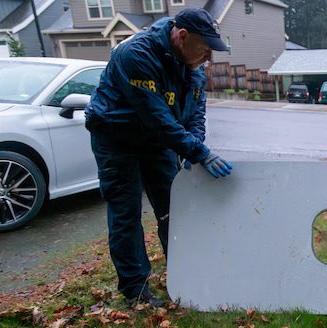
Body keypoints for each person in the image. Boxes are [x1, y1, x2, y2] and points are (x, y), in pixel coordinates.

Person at [85, 8, 234, 307]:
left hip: (157, 141)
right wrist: (199, 152)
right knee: (126, 213)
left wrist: (195, 146)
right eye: (204, 49)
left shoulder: (192, 65)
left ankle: (185, 274)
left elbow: (195, 113)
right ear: (182, 37)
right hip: (117, 138)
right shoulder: (136, 54)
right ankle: (135, 289)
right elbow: (157, 117)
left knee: (174, 209)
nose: (208, 59)